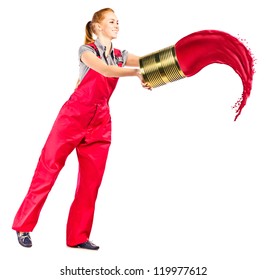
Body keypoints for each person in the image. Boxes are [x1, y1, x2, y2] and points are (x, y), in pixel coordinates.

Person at [12, 7, 151, 250]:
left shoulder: (120, 55)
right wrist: (137, 73)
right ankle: (23, 225)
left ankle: (78, 237)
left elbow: (148, 60)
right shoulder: (86, 51)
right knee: (47, 170)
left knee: (90, 182)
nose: (117, 25)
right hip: (73, 117)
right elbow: (106, 70)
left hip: (100, 121)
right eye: (111, 21)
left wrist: (174, 58)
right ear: (97, 27)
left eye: (118, 21)